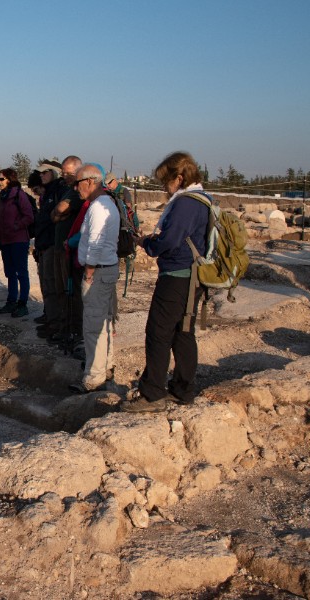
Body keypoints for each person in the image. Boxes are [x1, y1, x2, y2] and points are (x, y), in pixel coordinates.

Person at [123, 151, 210, 412]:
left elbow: (170, 241)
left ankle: (152, 394)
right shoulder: (202, 199)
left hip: (177, 276)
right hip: (192, 276)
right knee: (182, 333)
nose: (164, 187)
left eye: (166, 181)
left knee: (158, 333)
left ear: (179, 178)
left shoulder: (185, 203)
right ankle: (183, 391)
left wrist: (148, 243)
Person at [69, 165, 120, 393]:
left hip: (98, 271)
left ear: (90, 182)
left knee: (93, 325)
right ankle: (105, 366)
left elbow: (96, 242)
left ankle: (94, 377)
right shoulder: (107, 203)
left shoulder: (98, 207)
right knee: (104, 321)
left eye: (77, 183)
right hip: (106, 268)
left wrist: (89, 271)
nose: (76, 188)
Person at [49, 156, 84, 346]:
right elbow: (54, 214)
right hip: (59, 247)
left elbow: (60, 210)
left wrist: (58, 213)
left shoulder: (77, 193)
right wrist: (58, 214)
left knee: (72, 292)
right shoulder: (67, 190)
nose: (64, 176)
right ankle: (64, 328)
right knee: (60, 290)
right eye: (63, 172)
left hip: (70, 250)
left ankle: (73, 330)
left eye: (68, 173)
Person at [0, 168, 35, 318]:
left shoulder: (19, 195)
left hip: (18, 240)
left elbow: (29, 216)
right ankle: (11, 301)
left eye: (2, 179)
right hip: (5, 240)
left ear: (10, 179)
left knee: (21, 272)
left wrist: (15, 226)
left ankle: (22, 303)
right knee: (9, 272)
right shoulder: (2, 196)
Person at [31, 162, 61, 331]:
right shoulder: (48, 193)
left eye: (45, 173)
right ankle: (50, 318)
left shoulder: (58, 191)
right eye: (40, 173)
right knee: (46, 284)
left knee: (51, 285)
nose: (41, 176)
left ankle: (55, 324)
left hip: (51, 244)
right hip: (43, 244)